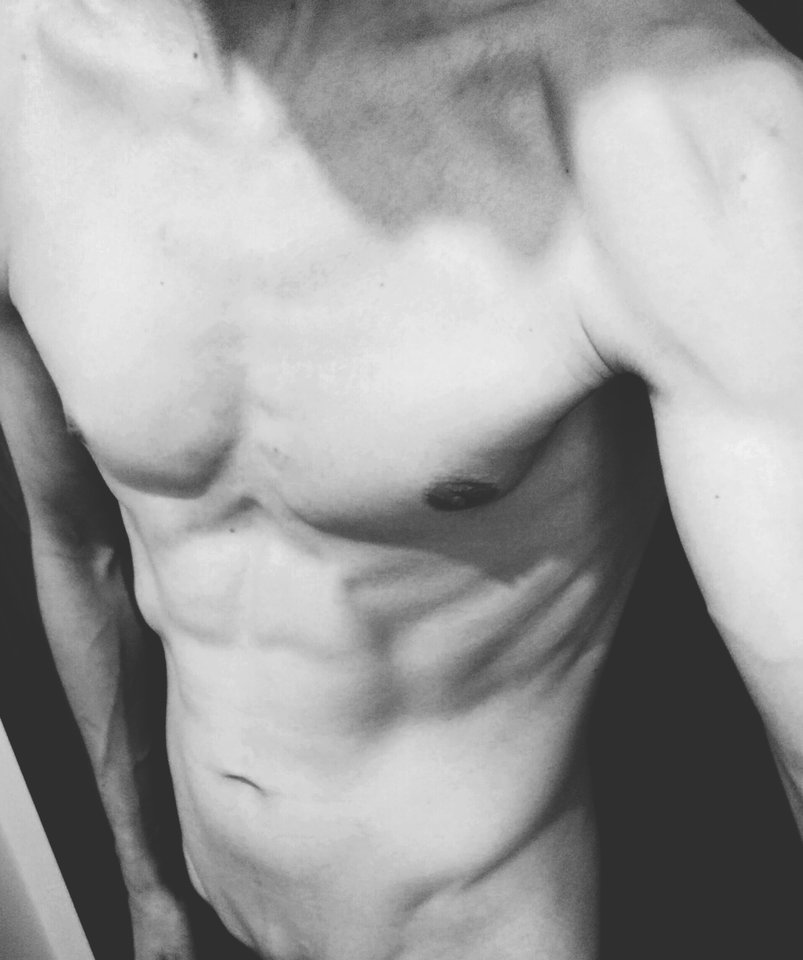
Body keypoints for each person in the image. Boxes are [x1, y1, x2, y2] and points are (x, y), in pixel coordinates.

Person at [1, 0, 802, 957]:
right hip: (214, 901)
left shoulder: (684, 126)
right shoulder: (22, 83)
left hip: (467, 929)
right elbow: (76, 546)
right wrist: (144, 886)